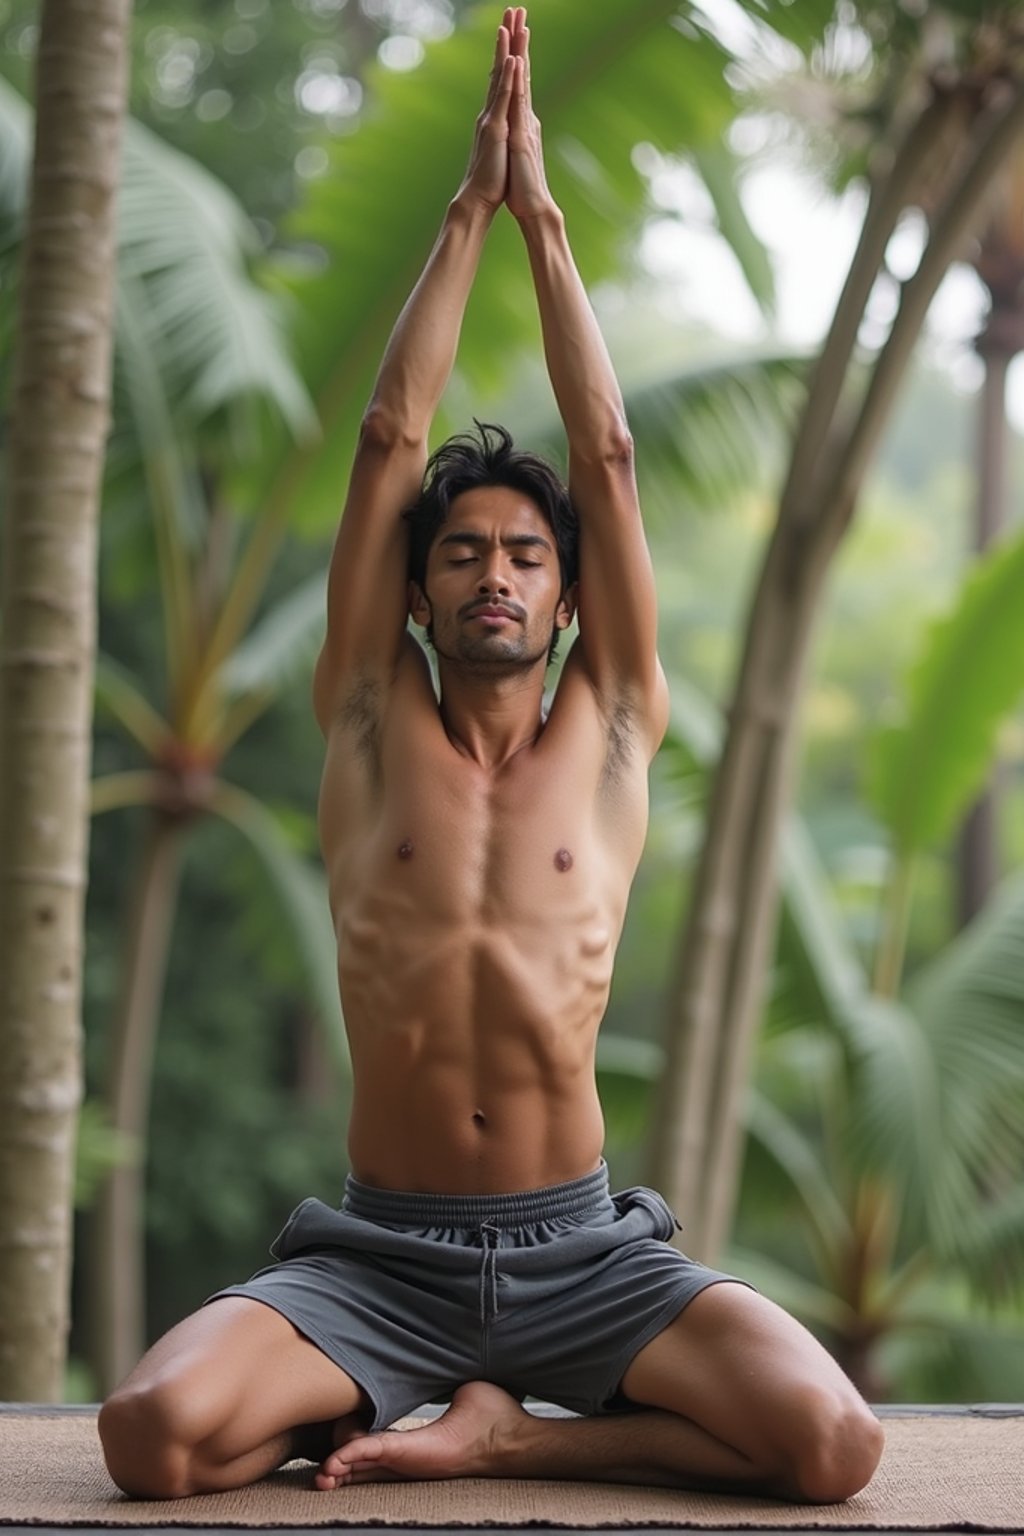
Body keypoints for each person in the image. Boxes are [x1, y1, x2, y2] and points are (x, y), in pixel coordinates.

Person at [99, 8, 883, 1504]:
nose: (496, 575)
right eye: (463, 555)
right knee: (150, 1439)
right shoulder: (364, 719)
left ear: (570, 594)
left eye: (525, 555)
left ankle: (512, 1430)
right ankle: (366, 1405)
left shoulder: (617, 724)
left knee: (834, 1444)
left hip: (582, 1250)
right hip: (379, 1253)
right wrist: (464, 211)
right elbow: (390, 433)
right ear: (419, 589)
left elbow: (612, 457)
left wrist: (547, 226)